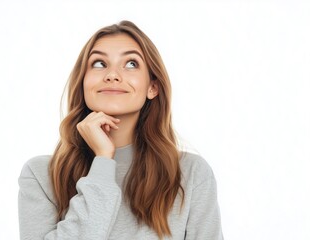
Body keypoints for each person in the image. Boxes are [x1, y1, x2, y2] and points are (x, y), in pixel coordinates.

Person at [18, 20, 223, 240]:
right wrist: (103, 162)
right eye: (98, 63)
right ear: (83, 83)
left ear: (152, 87)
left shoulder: (190, 174)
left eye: (131, 64)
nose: (112, 75)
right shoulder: (41, 176)